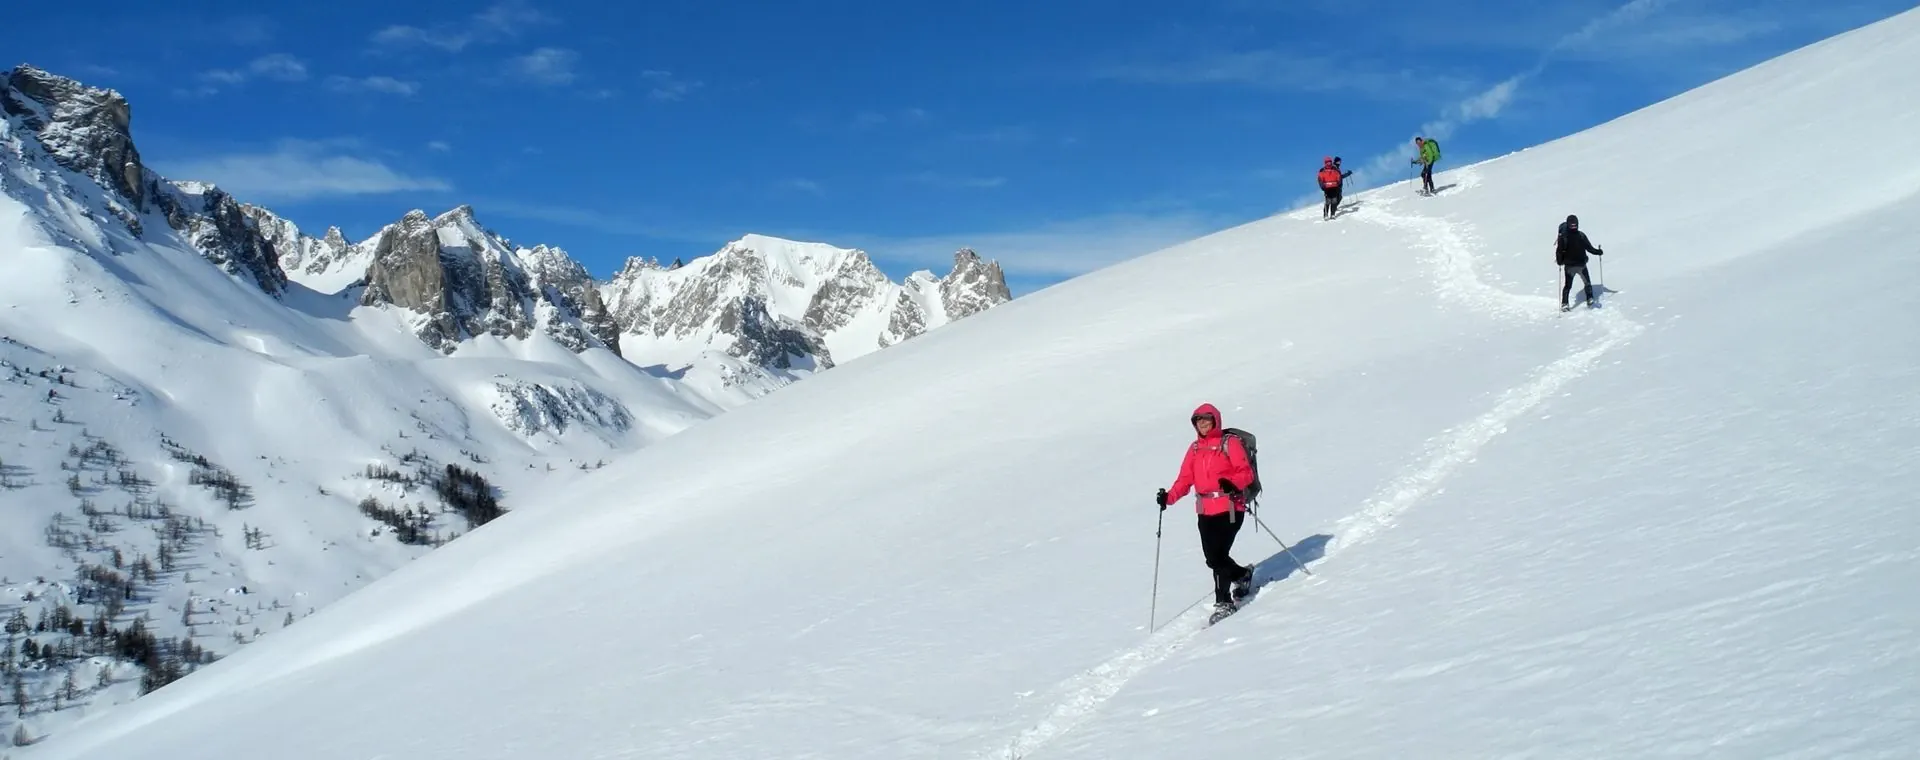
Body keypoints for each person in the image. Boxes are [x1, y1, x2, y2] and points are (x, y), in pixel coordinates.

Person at [1155, 403, 1256, 616]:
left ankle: (1224, 602)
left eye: (1206, 419)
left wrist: (1233, 483)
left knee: (1219, 556)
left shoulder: (1231, 443)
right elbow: (1185, 479)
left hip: (1229, 507)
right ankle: (1241, 575)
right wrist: (1168, 498)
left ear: (1215, 420)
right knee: (1212, 558)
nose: (1202, 423)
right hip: (1204, 511)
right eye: (1198, 420)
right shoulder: (1194, 449)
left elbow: (1246, 473)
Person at [1555, 214, 1604, 310]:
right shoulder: (1581, 235)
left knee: (1567, 286)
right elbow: (1589, 248)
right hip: (1581, 264)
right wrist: (1598, 252)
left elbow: (1559, 251)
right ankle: (1590, 299)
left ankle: (1565, 304)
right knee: (1587, 283)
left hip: (1569, 266)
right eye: (1572, 225)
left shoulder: (1563, 237)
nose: (1574, 226)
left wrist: (1559, 261)